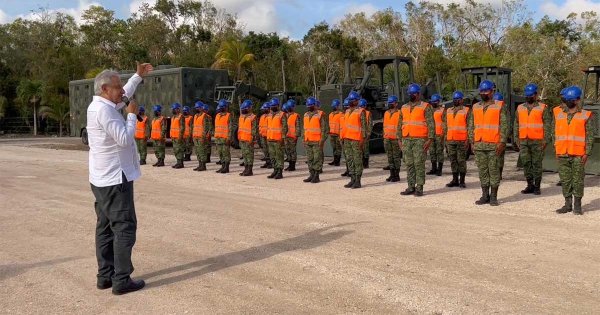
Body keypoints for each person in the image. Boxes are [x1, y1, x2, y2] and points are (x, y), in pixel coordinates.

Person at [86, 62, 153, 295]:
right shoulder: (105, 111)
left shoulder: (101, 105)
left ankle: (105, 276)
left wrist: (137, 76)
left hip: (101, 178)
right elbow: (124, 139)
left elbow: (125, 93)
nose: (121, 91)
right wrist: (132, 116)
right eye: (117, 87)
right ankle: (121, 279)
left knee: (104, 228)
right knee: (124, 227)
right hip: (115, 179)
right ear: (104, 89)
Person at [555, 86, 596, 215]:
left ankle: (577, 205)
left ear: (577, 100)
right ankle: (567, 204)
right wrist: (556, 149)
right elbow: (554, 133)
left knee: (578, 180)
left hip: (578, 154)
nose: (568, 102)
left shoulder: (586, 115)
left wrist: (587, 153)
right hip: (562, 153)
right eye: (567, 99)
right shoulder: (559, 114)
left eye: (571, 100)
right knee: (565, 180)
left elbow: (590, 136)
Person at [468, 80, 509, 206]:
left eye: (486, 91)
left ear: (492, 92)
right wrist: (472, 142)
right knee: (482, 171)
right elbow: (471, 125)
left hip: (493, 145)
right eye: (482, 91)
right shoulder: (475, 107)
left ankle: (493, 196)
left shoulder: (500, 106)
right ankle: (484, 195)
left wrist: (502, 142)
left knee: (494, 171)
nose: (484, 93)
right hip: (479, 144)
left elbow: (504, 126)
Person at [514, 83, 552, 195]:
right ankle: (529, 185)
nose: (528, 97)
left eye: (530, 95)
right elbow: (516, 124)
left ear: (536, 95)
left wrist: (545, 140)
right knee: (526, 163)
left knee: (537, 164)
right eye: (527, 95)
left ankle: (537, 186)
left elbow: (547, 125)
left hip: (537, 141)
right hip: (523, 141)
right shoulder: (520, 108)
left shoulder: (543, 108)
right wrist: (516, 139)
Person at [399, 84, 435, 196]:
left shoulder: (426, 106)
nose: (411, 95)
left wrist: (430, 139)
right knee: (409, 163)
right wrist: (399, 140)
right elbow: (399, 124)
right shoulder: (404, 107)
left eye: (413, 93)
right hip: (406, 139)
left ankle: (419, 187)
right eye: (409, 93)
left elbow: (431, 124)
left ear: (419, 94)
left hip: (420, 140)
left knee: (419, 164)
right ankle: (410, 186)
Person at [343, 91, 368, 189]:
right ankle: (352, 178)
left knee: (357, 160)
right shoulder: (347, 111)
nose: (351, 102)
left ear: (357, 101)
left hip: (356, 140)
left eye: (352, 100)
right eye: (350, 100)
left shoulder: (361, 111)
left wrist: (363, 140)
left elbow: (364, 128)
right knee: (350, 159)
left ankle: (358, 180)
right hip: (347, 139)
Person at [445, 91, 469, 188]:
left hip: (462, 140)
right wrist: (445, 140)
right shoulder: (448, 110)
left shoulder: (466, 110)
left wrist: (468, 139)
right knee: (453, 160)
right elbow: (446, 126)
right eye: (454, 99)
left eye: (458, 99)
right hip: (450, 139)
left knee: (461, 160)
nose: (456, 101)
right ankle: (455, 179)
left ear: (462, 100)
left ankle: (462, 181)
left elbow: (470, 126)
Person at [303, 97, 328, 183]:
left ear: (315, 105)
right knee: (310, 159)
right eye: (308, 106)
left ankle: (316, 176)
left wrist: (322, 140)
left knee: (317, 158)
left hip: (317, 141)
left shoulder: (321, 114)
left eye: (311, 105)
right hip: (308, 140)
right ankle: (311, 174)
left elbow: (324, 129)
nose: (309, 107)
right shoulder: (305, 115)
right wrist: (304, 139)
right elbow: (304, 128)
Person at [267, 98, 288, 179]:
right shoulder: (269, 115)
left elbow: (285, 128)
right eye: (271, 106)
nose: (272, 107)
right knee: (272, 156)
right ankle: (275, 170)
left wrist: (282, 138)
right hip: (270, 139)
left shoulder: (282, 114)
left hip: (278, 139)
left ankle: (279, 172)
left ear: (278, 106)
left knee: (279, 156)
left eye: (274, 106)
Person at [383, 95, 401, 182]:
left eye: (392, 102)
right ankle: (391, 174)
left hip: (395, 139)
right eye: (389, 102)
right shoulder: (386, 113)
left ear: (396, 104)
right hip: (387, 139)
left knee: (396, 157)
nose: (390, 104)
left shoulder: (399, 113)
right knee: (390, 157)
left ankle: (396, 175)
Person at [237, 99, 258, 176]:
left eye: (245, 108)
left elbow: (254, 129)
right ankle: (246, 169)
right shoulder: (241, 116)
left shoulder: (253, 117)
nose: (243, 110)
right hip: (242, 139)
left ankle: (249, 170)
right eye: (243, 108)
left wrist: (252, 139)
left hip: (249, 139)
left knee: (249, 155)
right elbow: (240, 128)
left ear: (249, 108)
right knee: (245, 155)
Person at [214, 99, 234, 174]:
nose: (221, 108)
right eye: (220, 106)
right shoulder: (217, 115)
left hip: (225, 138)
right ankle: (222, 166)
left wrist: (229, 137)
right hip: (218, 138)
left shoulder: (228, 116)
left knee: (226, 153)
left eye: (223, 107)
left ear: (226, 107)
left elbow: (230, 128)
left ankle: (226, 167)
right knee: (220, 153)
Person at [427, 93, 445, 176]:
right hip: (431, 135)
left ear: (438, 102)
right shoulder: (429, 111)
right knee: (432, 152)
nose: (433, 103)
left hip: (439, 134)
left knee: (439, 152)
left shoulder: (442, 110)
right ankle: (433, 168)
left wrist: (443, 134)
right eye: (432, 102)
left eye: (435, 102)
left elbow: (445, 123)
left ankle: (439, 169)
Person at [191, 101, 211, 171]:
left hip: (201, 137)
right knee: (197, 151)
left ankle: (203, 166)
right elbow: (194, 126)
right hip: (195, 136)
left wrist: (204, 137)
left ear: (201, 108)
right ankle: (200, 165)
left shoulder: (204, 116)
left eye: (198, 107)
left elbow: (206, 128)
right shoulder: (195, 116)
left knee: (202, 151)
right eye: (195, 107)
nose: (196, 109)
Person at [284, 100, 300, 171]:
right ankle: (289, 164)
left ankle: (292, 166)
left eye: (291, 107)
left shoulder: (296, 115)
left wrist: (297, 135)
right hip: (286, 136)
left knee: (292, 151)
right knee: (288, 151)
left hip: (293, 136)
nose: (289, 108)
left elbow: (298, 126)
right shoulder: (285, 115)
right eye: (289, 107)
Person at [170, 103, 185, 169]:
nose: (173, 110)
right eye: (172, 109)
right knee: (176, 150)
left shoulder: (181, 116)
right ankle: (178, 162)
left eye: (174, 109)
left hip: (178, 137)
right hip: (174, 136)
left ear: (178, 109)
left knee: (179, 150)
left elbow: (182, 127)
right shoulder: (173, 117)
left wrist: (180, 136)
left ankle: (180, 163)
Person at [328, 99, 343, 166]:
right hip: (332, 134)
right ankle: (334, 160)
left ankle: (337, 161)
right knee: (334, 148)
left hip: (338, 134)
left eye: (335, 106)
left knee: (338, 148)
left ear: (338, 106)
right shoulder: (330, 114)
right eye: (333, 106)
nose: (334, 107)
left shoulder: (341, 114)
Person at [358, 98, 372, 168]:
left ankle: (365, 164)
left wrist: (368, 134)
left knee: (365, 149)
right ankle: (363, 163)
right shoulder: (363, 112)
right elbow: (370, 124)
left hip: (364, 134)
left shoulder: (367, 113)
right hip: (361, 134)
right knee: (362, 149)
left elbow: (369, 124)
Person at [259, 102, 272, 169]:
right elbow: (260, 126)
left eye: (264, 109)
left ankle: (271, 163)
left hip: (268, 136)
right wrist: (260, 133)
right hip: (263, 136)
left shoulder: (271, 116)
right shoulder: (262, 116)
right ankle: (267, 162)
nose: (263, 110)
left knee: (270, 150)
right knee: (265, 150)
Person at [340, 98, 351, 177]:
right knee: (346, 155)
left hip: (350, 138)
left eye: (346, 107)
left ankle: (351, 171)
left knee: (350, 156)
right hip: (343, 138)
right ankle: (348, 169)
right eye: (344, 106)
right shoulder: (342, 116)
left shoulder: (350, 116)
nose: (345, 108)